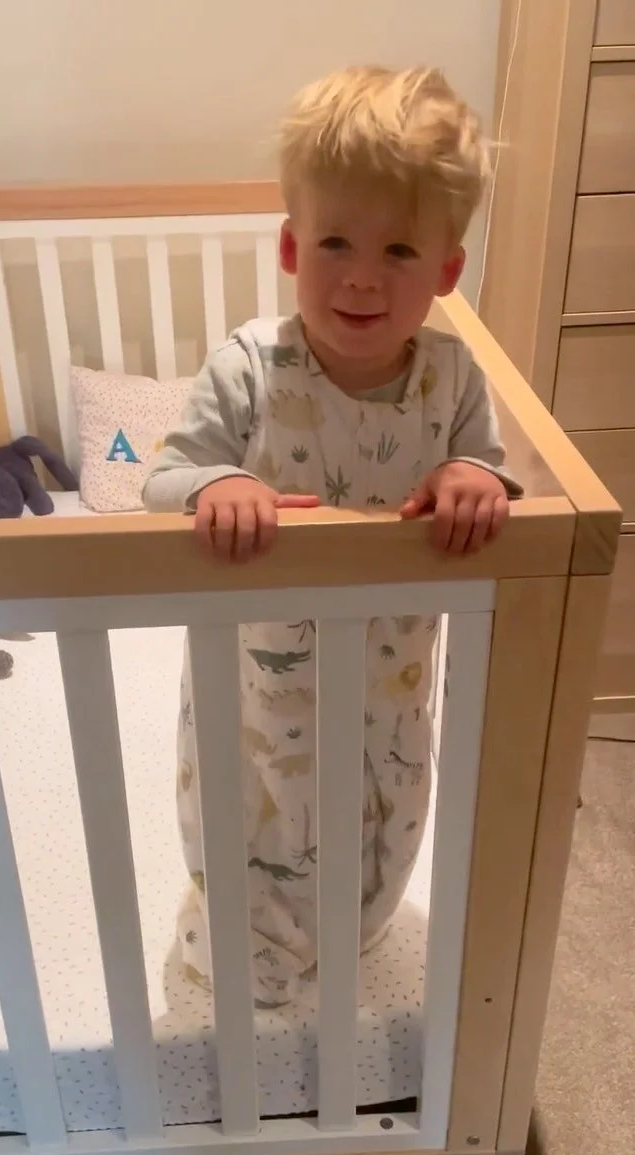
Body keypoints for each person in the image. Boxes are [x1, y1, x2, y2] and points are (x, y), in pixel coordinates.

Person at [144, 65, 521, 1005]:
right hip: (260, 681)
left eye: (398, 250)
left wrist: (474, 479)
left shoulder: (453, 380)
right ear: (290, 246)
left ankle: (354, 926)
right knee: (261, 820)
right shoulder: (248, 368)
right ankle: (248, 947)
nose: (360, 274)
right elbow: (164, 478)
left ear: (446, 271)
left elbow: (486, 467)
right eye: (336, 242)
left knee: (388, 814)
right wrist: (223, 482)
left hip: (393, 679)